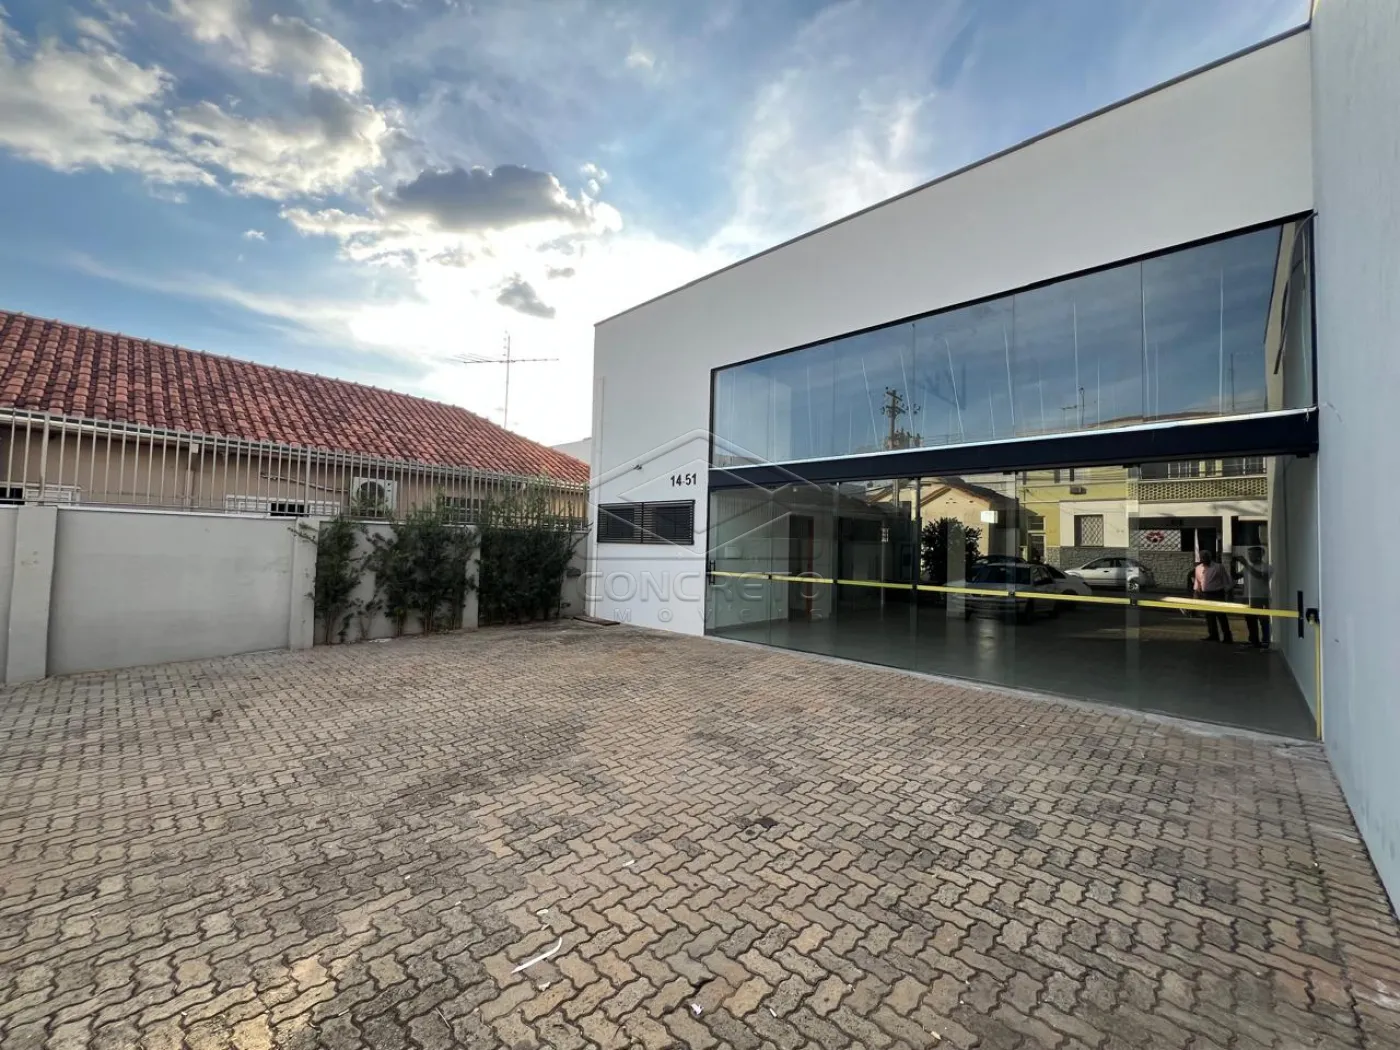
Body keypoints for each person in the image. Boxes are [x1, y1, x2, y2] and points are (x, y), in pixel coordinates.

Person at [1193, 550, 1234, 643]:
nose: (1203, 559)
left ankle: (1227, 636)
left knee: (1221, 616)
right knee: (1209, 616)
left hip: (1217, 594)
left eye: (1205, 557)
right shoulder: (1198, 568)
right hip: (1206, 594)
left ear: (1209, 557)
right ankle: (1213, 635)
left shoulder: (1218, 567)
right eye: (1202, 557)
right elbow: (1197, 582)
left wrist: (1229, 594)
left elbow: (1226, 581)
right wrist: (1196, 595)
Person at [1240, 546, 1274, 650]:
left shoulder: (1266, 567)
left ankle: (1265, 641)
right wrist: (1232, 565)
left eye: (1252, 554)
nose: (1250, 557)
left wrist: (1246, 564)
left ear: (1260, 555)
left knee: (1264, 621)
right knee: (1250, 621)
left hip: (1261, 597)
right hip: (1248, 597)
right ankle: (1254, 641)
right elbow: (1236, 576)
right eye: (1249, 554)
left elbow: (1261, 576)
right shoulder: (1247, 568)